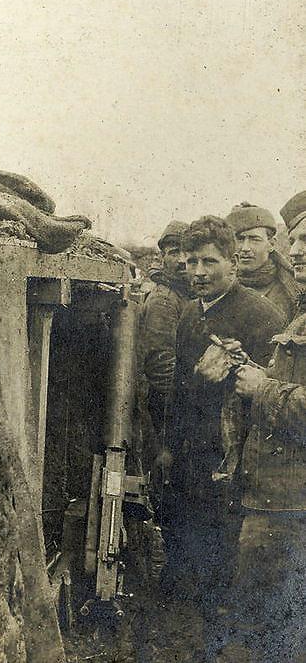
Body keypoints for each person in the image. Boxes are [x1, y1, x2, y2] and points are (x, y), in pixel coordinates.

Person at [166, 216, 285, 658]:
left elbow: (273, 395)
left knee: (226, 573)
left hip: (236, 470)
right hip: (193, 462)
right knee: (194, 569)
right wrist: (167, 449)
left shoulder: (260, 315)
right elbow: (179, 389)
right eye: (191, 262)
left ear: (232, 263)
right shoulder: (191, 314)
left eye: (209, 262)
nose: (197, 272)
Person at [218, 191, 306, 663]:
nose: (297, 252)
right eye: (295, 241)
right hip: (276, 497)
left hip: (292, 506)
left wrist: (263, 389)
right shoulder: (302, 311)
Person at [140, 220, 191, 457]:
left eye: (186, 251)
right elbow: (161, 368)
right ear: (163, 258)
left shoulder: (184, 292)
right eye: (173, 253)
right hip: (170, 408)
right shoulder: (164, 300)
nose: (181, 260)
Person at [226, 202, 298, 321]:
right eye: (239, 239)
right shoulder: (218, 288)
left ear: (271, 244)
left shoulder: (291, 291)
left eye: (254, 240)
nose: (245, 248)